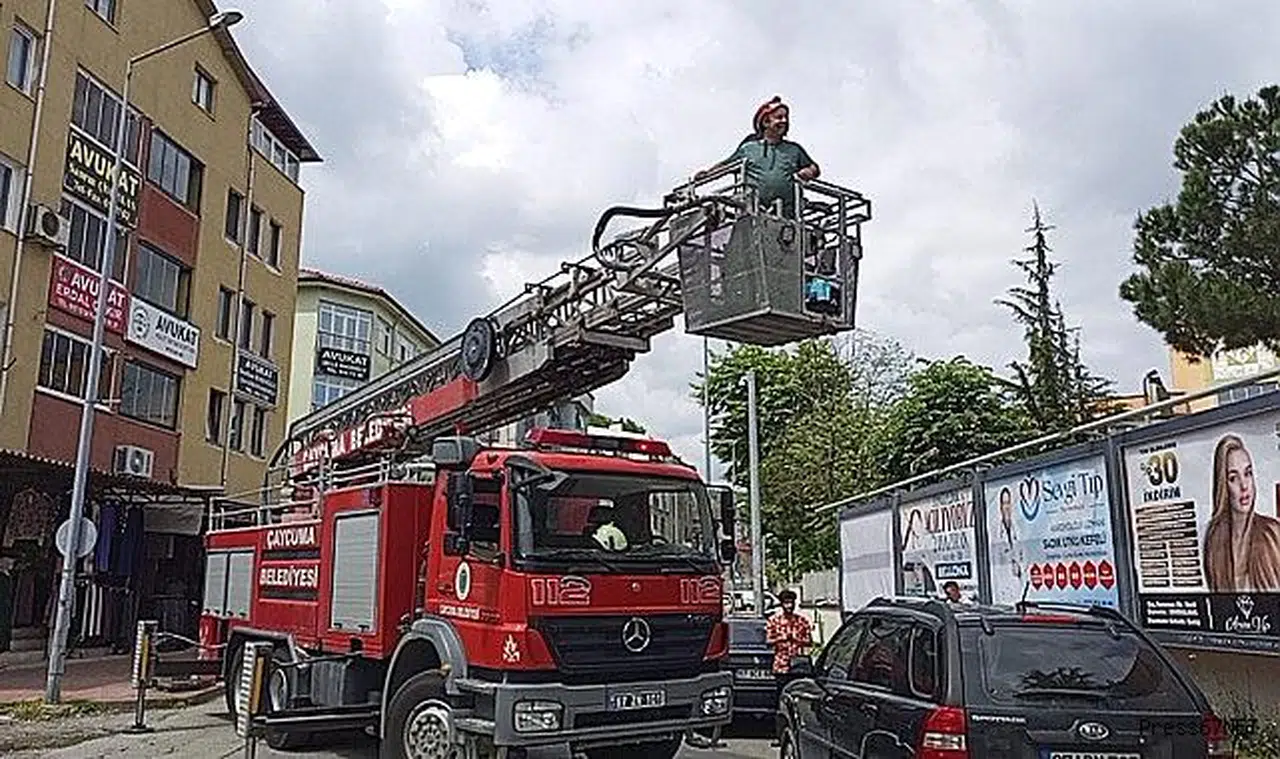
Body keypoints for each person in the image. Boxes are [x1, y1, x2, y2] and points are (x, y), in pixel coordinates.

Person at [697, 96, 821, 219]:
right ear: (766, 122)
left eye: (786, 118)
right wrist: (708, 174)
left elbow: (814, 168)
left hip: (787, 216)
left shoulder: (794, 149)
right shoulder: (749, 148)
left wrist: (809, 171)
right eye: (779, 117)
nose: (784, 121)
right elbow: (727, 165)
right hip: (753, 213)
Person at [1202, 434, 1280, 591]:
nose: (1244, 485)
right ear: (1223, 486)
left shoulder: (1273, 533)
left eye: (1248, 473)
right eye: (1233, 478)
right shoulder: (1214, 540)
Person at [765, 589, 812, 746]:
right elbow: (768, 641)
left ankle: (799, 734)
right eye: (786, 602)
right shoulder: (774, 621)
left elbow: (809, 641)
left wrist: (797, 639)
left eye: (791, 602)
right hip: (781, 666)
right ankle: (780, 736)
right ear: (781, 604)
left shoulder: (802, 621)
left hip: (798, 666)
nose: (789, 606)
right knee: (781, 701)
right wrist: (782, 638)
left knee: (798, 701)